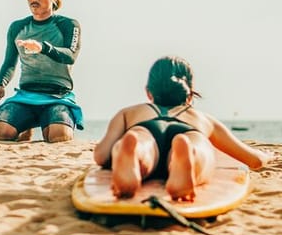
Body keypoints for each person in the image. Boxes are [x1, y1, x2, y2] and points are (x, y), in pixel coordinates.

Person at [93, 56, 272, 201]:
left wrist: (115, 154)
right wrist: (266, 155)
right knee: (197, 151)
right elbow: (253, 160)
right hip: (189, 131)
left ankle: (135, 152)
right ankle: (188, 158)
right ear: (189, 94)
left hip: (145, 128)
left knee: (140, 141)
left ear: (149, 92)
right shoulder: (202, 118)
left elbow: (101, 155)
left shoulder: (130, 113)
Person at [0, 0, 83, 143]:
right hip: (26, 95)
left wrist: (43, 48)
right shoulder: (18, 27)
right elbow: (9, 62)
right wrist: (0, 84)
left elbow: (70, 55)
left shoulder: (68, 25)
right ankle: (26, 127)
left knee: (59, 137)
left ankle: (50, 122)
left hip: (58, 97)